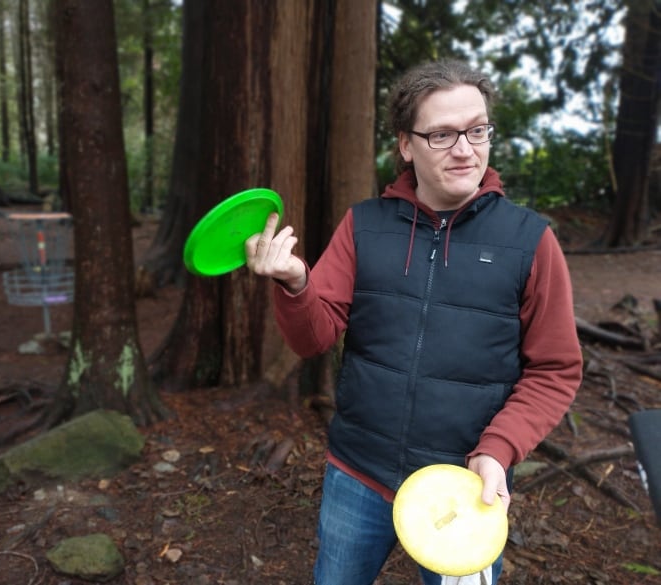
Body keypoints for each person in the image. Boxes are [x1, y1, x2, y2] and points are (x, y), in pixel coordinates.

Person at [245, 59, 583, 585]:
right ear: (406, 145)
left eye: (476, 130)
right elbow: (314, 337)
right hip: (359, 473)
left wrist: (499, 449)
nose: (465, 149)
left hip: (465, 489)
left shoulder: (530, 241)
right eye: (443, 135)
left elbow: (555, 369)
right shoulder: (364, 225)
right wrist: (295, 283)